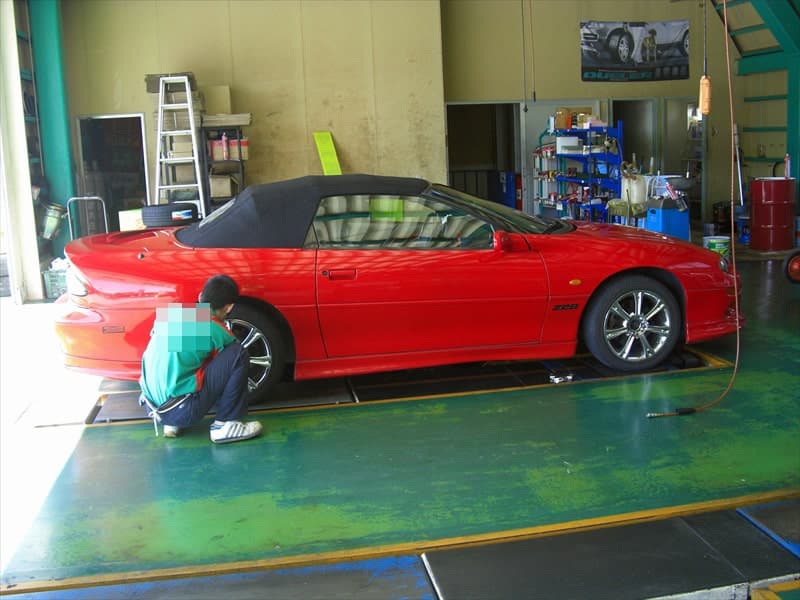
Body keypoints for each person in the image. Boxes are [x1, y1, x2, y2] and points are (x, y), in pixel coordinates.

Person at [139, 274, 263, 444]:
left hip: (151, 407)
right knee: (237, 354)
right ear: (229, 307)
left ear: (200, 296)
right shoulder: (214, 328)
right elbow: (226, 365)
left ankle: (172, 424)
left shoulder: (172, 315)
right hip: (182, 411)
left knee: (185, 358)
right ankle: (226, 424)